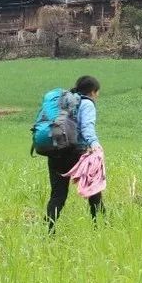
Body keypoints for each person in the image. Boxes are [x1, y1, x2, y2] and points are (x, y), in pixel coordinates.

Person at [46, 75, 104, 233]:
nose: (97, 96)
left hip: (55, 150)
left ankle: (48, 232)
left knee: (58, 195)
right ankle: (100, 227)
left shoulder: (63, 102)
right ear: (93, 92)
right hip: (75, 153)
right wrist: (95, 145)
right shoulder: (87, 104)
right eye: (97, 93)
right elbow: (87, 127)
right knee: (93, 190)